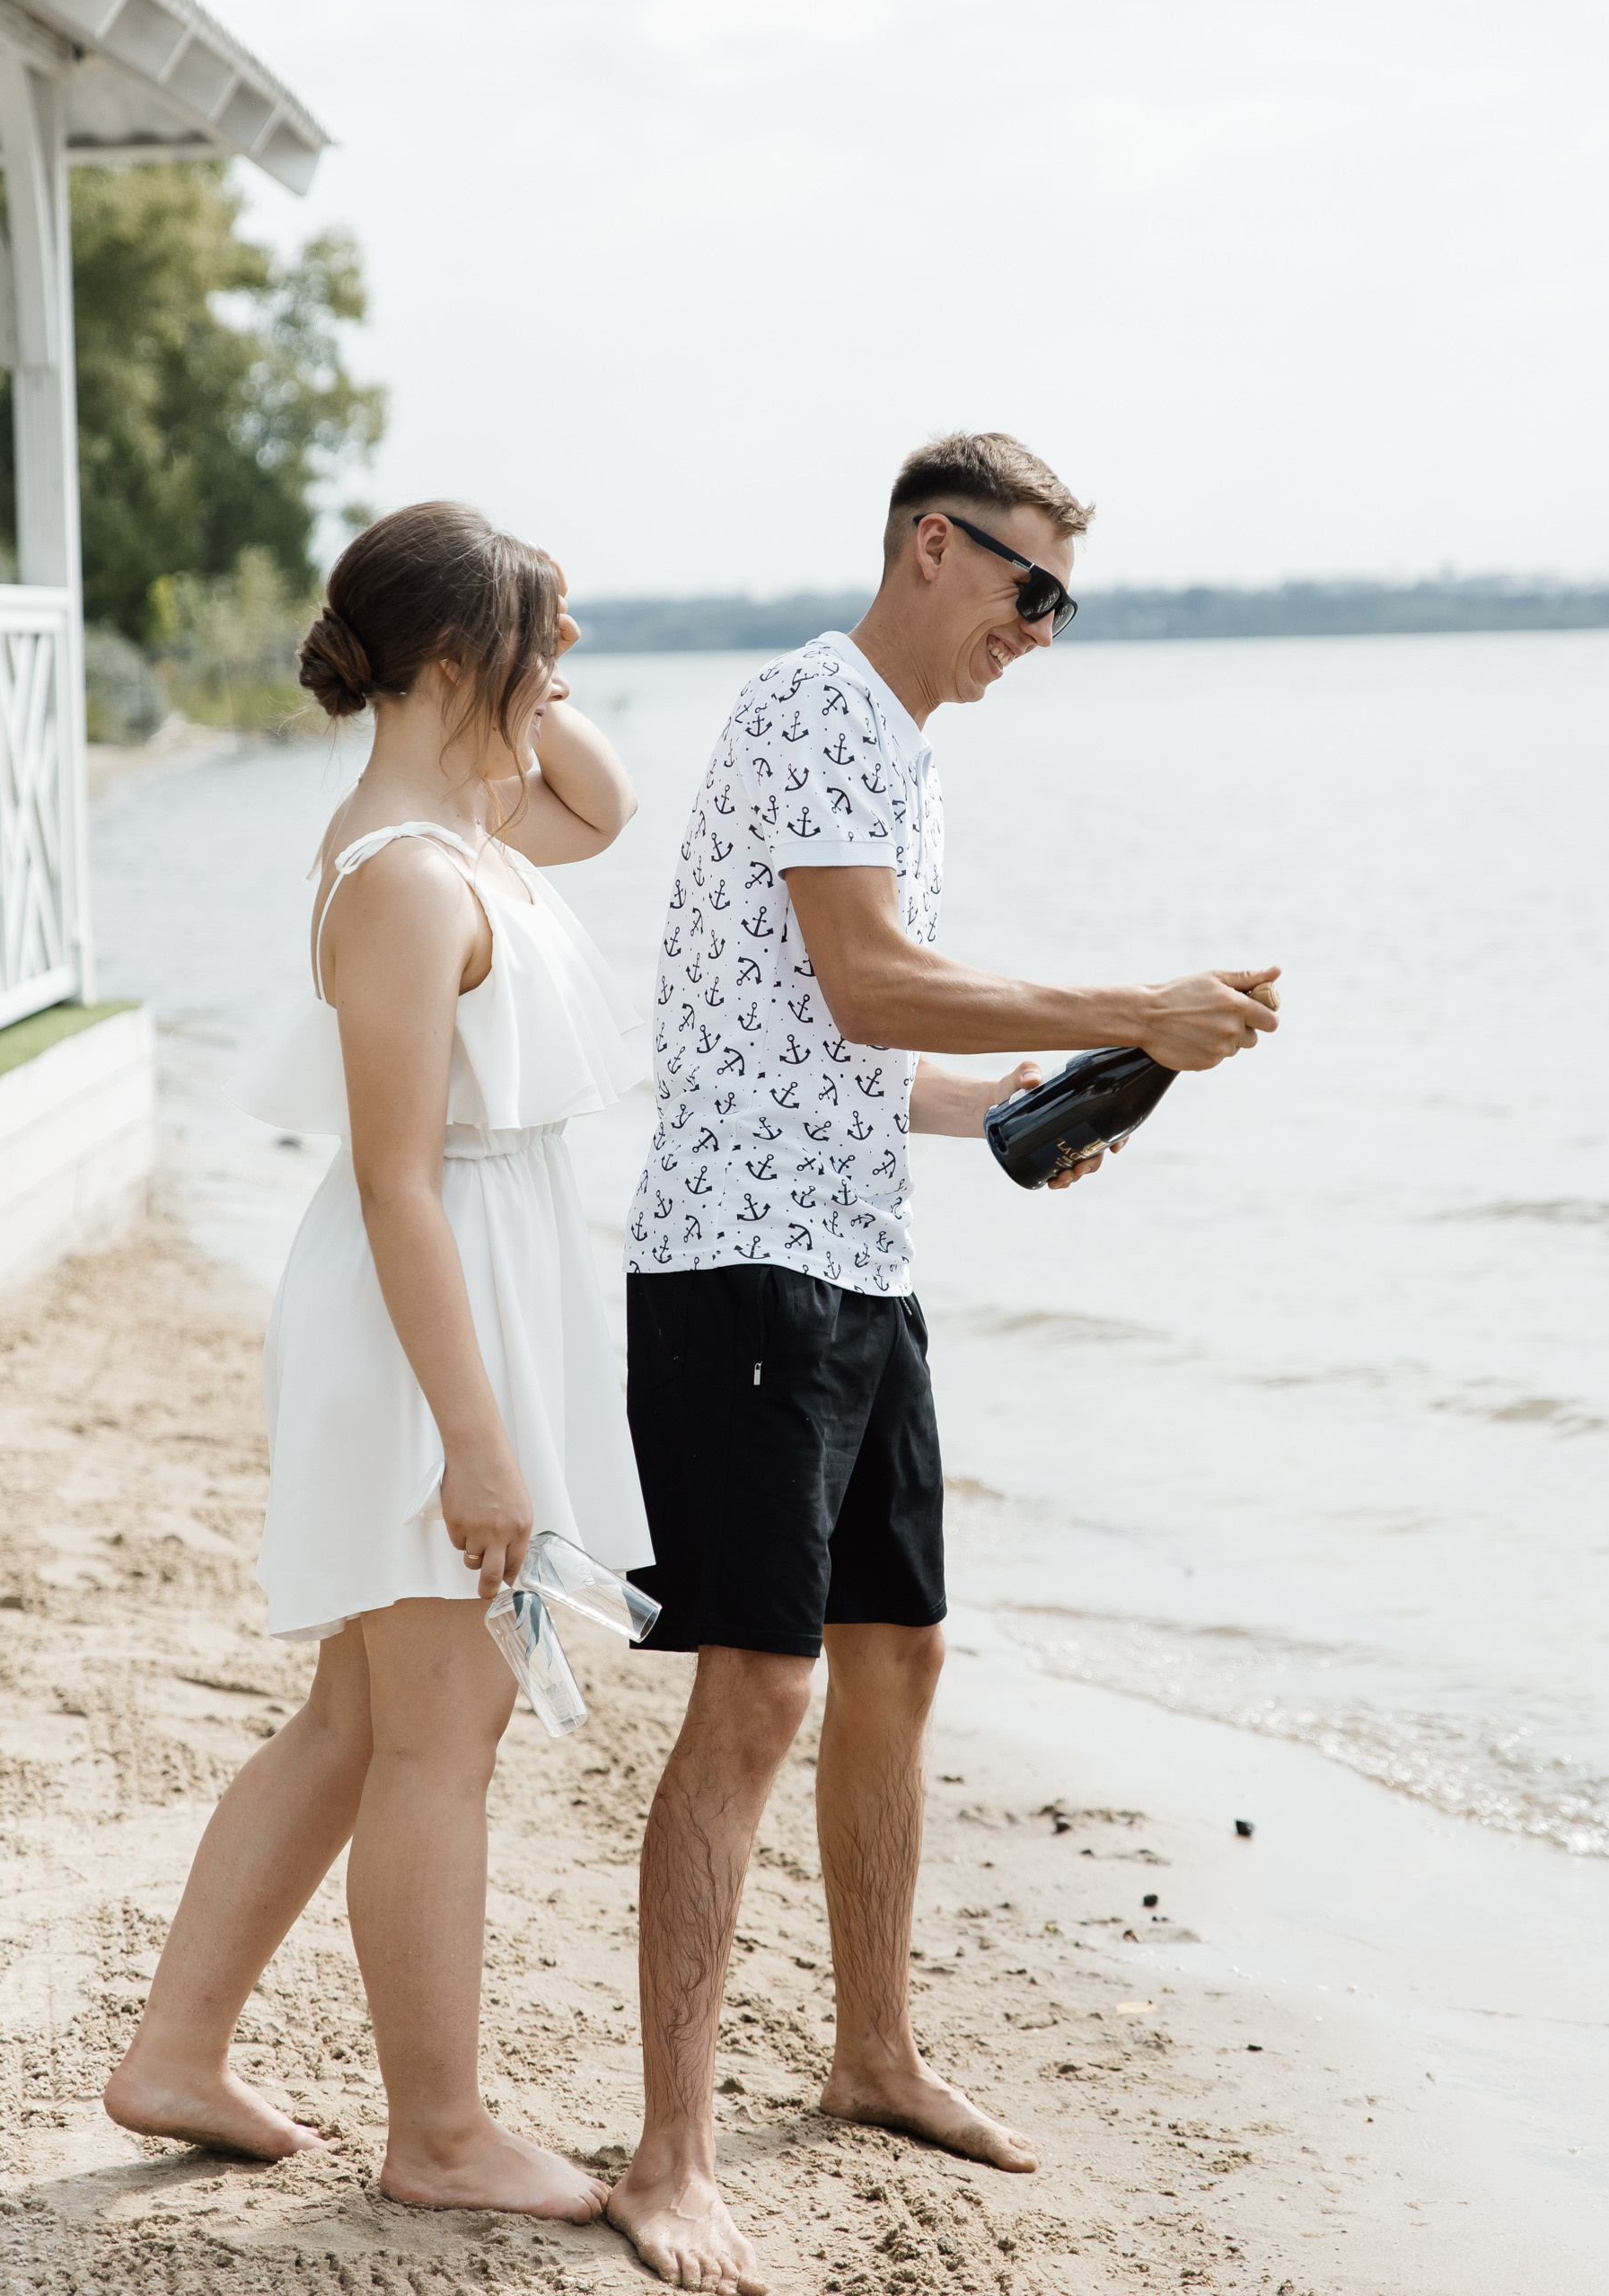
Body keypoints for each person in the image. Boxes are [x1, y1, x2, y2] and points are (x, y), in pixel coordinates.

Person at [607, 433, 1280, 2293]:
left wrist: (1019, 1104)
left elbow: (843, 1044)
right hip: (741, 1278)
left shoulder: (891, 747)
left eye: (1059, 603)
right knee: (753, 1697)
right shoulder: (816, 709)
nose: (1038, 631)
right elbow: (868, 980)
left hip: (850, 1264)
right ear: (932, 546)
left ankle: (871, 2053)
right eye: (1027, 588)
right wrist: (1129, 1001)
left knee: (895, 1656)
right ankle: (670, 2156)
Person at [104, 501, 652, 2226]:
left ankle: (176, 2053)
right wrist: (478, 1448)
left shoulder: (470, 819)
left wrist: (524, 619)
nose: (565, 678)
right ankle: (441, 2136)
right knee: (440, 1735)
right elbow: (402, 1177)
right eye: (539, 652)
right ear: (441, 667)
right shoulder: (411, 874)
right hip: (434, 1302)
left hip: (478, 1278)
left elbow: (608, 807)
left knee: (362, 1715)